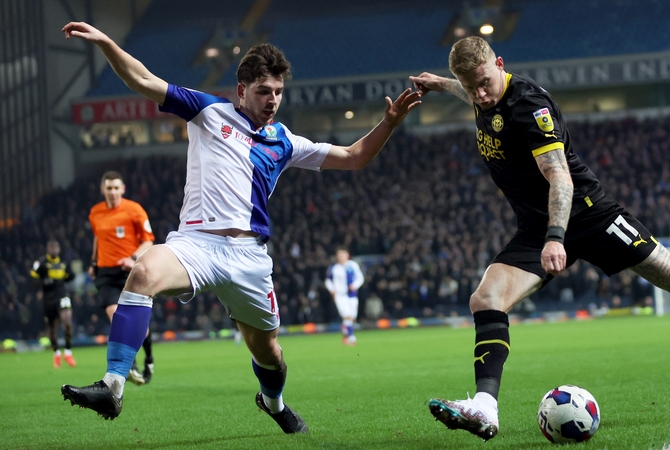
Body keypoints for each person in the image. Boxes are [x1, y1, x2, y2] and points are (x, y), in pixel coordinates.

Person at [59, 22, 421, 433]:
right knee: (142, 272)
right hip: (196, 244)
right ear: (241, 89)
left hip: (249, 257)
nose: (272, 100)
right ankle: (113, 386)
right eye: (264, 91)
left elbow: (354, 156)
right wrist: (107, 43)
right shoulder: (208, 112)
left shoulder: (284, 141)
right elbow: (143, 79)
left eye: (279, 92)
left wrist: (388, 123)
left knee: (269, 353)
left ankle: (273, 402)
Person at [409, 36, 670, 441]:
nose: (479, 94)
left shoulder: (529, 105)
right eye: (468, 84)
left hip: (588, 215)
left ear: (500, 63)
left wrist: (556, 237)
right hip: (536, 227)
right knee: (486, 299)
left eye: (483, 82)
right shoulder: (482, 93)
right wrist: (442, 84)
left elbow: (559, 177)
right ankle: (485, 407)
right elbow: (471, 93)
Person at [88, 171, 156, 385]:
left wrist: (132, 258)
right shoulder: (95, 212)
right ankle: (130, 366)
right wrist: (93, 262)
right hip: (106, 273)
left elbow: (149, 242)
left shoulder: (134, 210)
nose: (113, 192)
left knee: (140, 327)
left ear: (123, 189)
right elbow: (97, 239)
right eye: (109, 188)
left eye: (116, 188)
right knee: (118, 317)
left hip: (130, 271)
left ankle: (149, 359)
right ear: (103, 189)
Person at [30, 240, 76, 368]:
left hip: (62, 295)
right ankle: (56, 354)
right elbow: (33, 279)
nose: (54, 250)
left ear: (59, 249)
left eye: (56, 247)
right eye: (52, 248)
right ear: (47, 249)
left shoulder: (63, 263)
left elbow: (71, 276)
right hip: (48, 299)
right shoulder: (42, 263)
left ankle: (68, 352)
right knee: (52, 327)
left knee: (67, 321)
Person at [324, 247, 364, 346]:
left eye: (343, 254)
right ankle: (352, 337)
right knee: (347, 315)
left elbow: (360, 278)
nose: (341, 257)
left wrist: (355, 285)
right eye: (339, 255)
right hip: (340, 295)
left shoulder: (353, 265)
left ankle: (345, 331)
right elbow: (328, 280)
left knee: (352, 318)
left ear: (347, 255)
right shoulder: (333, 268)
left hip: (352, 295)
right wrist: (332, 289)